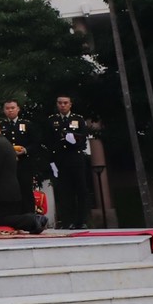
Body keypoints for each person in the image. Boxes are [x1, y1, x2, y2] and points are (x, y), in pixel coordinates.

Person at [0, 120, 46, 234]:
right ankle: (32, 221)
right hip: (8, 191)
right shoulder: (2, 142)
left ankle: (33, 219)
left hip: (3, 192)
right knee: (5, 218)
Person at [47, 96, 92, 229]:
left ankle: (81, 220)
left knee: (81, 190)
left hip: (76, 158)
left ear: (70, 104)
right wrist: (51, 161)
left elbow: (83, 138)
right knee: (65, 191)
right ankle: (68, 220)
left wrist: (74, 140)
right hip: (60, 159)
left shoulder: (78, 119)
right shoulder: (52, 120)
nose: (63, 105)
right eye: (60, 103)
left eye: (65, 103)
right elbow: (49, 141)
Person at [0, 99, 39, 213]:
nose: (10, 111)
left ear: (18, 109)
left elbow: (36, 143)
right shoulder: (1, 126)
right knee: (10, 191)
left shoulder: (27, 124)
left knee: (26, 190)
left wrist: (25, 150)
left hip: (24, 163)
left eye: (12, 108)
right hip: (8, 165)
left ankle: (30, 217)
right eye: (7, 108)